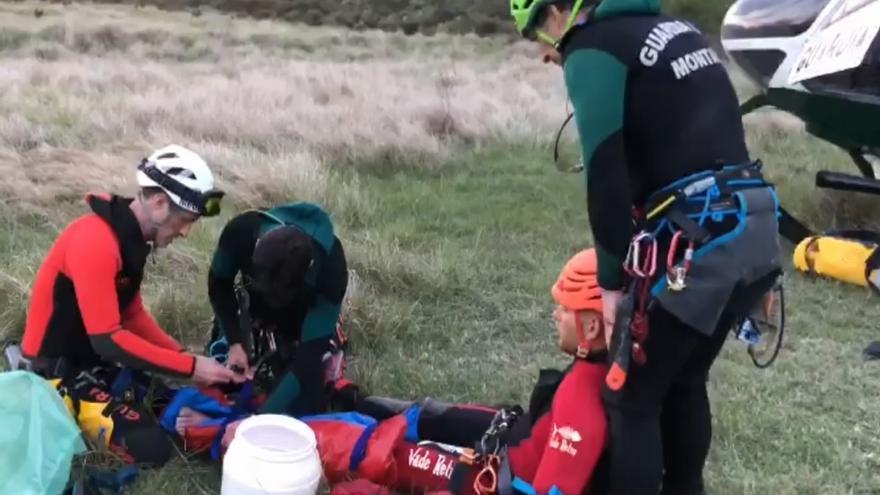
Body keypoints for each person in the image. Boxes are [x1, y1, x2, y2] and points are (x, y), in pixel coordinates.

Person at [510, 1, 783, 494]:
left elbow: (605, 173)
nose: (546, 54)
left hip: (703, 242)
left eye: (538, 34)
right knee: (682, 379)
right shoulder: (679, 29)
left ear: (557, 11)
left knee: (632, 398)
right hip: (752, 223)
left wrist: (611, 286)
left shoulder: (591, 48)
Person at [170, 248, 610, 495]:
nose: (555, 315)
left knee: (373, 449)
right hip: (511, 434)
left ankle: (222, 433)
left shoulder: (582, 407)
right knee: (421, 414)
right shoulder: (599, 371)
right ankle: (343, 398)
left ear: (592, 324)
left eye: (565, 309)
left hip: (492, 477)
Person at [20, 144, 244, 467]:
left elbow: (132, 314)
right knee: (153, 449)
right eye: (185, 220)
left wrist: (183, 357)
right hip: (56, 372)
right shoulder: (95, 240)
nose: (186, 232)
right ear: (158, 203)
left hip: (96, 361)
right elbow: (108, 340)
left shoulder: (132, 241)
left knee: (181, 405)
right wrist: (190, 368)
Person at [200, 201, 349, 418]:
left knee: (309, 404)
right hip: (252, 304)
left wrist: (258, 420)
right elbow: (219, 286)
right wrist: (234, 342)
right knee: (224, 381)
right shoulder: (240, 233)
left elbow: (308, 357)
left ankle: (330, 342)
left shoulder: (330, 269)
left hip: (300, 315)